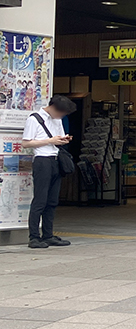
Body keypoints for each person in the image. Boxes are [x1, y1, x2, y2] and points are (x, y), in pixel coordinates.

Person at [23, 95, 77, 249]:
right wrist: (49, 141)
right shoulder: (34, 119)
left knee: (52, 201)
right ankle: (34, 237)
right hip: (42, 160)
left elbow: (57, 139)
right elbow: (26, 143)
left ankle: (48, 235)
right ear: (53, 108)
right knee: (40, 200)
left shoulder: (57, 120)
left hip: (55, 159)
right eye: (61, 113)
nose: (61, 116)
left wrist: (63, 139)